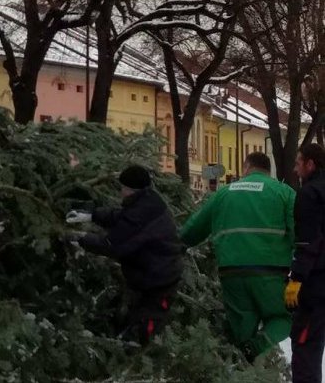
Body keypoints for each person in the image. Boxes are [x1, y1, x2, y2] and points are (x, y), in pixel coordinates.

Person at [180, 151, 295, 362]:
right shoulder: (283, 192)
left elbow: (194, 229)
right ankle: (255, 349)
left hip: (231, 272)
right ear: (267, 170)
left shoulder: (224, 193)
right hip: (271, 275)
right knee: (284, 318)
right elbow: (298, 232)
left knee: (242, 328)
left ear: (246, 167)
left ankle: (242, 364)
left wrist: (176, 244)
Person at [65, 164, 184, 345]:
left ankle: (144, 357)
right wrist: (92, 216)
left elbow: (112, 245)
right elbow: (119, 217)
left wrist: (81, 239)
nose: (121, 192)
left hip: (159, 280)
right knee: (135, 315)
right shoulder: (148, 202)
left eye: (122, 188)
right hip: (154, 274)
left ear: (130, 189)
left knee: (147, 325)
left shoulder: (138, 216)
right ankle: (135, 345)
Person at [287, 143, 325, 383]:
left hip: (316, 282)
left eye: (298, 162)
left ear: (310, 164)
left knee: (304, 346)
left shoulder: (309, 194)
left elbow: (308, 242)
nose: (295, 168)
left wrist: (296, 280)